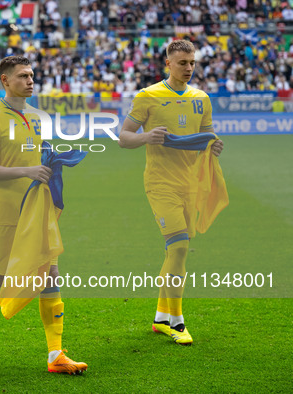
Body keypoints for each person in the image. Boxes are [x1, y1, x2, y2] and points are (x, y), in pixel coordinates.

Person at [0, 55, 87, 374]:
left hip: (35, 213)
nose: (30, 80)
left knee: (50, 276)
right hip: (2, 214)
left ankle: (56, 355)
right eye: (23, 76)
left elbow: (38, 156)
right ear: (5, 81)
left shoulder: (37, 116)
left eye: (32, 75)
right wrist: (27, 171)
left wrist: (53, 164)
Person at [119, 40, 224, 345]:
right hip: (160, 182)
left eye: (192, 62)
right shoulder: (148, 96)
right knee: (178, 247)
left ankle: (161, 317)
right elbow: (124, 138)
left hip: (191, 182)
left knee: (177, 250)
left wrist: (215, 145)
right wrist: (147, 137)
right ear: (168, 64)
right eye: (182, 63)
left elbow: (207, 136)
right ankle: (176, 321)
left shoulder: (202, 98)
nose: (188, 68)